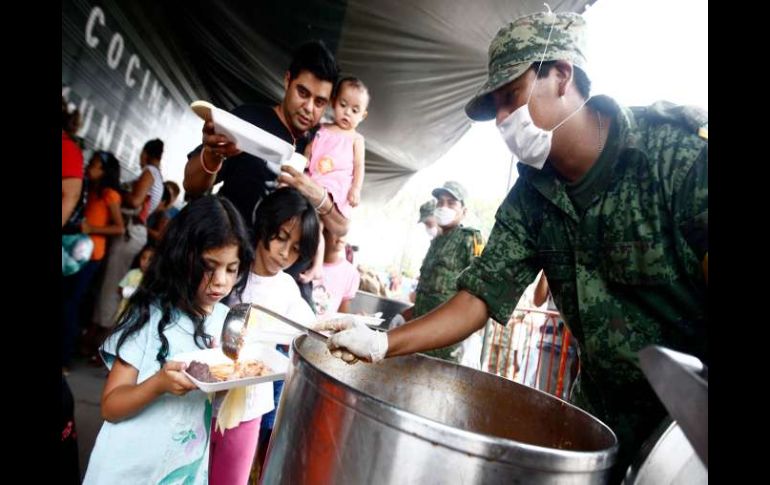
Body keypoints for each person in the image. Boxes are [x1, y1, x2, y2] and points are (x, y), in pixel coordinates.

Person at [318, 10, 707, 482]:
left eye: (511, 97)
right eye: (497, 107)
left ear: (561, 74)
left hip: (690, 434)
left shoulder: (673, 158)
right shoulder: (530, 200)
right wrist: (381, 342)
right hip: (603, 430)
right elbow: (478, 298)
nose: (503, 120)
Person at [83, 195, 253, 484]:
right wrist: (158, 384)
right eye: (209, 266)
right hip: (128, 470)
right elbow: (111, 407)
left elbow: (219, 402)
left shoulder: (228, 322)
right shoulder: (149, 315)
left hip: (180, 468)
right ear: (182, 257)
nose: (222, 280)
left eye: (231, 268)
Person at [183, 40, 345, 307]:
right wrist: (213, 154)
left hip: (279, 293)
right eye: (302, 93)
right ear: (287, 80)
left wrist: (319, 197)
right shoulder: (251, 121)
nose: (309, 108)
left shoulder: (322, 147)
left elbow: (342, 226)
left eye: (319, 102)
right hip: (226, 280)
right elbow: (191, 185)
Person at [211, 188, 319, 484]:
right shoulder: (231, 271)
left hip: (250, 407)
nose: (285, 253)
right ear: (264, 224)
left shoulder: (287, 289)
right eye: (281, 237)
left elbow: (313, 328)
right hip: (204, 397)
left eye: (296, 248)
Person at [410, 181, 484, 362]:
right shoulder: (436, 241)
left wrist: (471, 333)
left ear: (464, 211)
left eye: (451, 203)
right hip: (421, 334)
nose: (443, 207)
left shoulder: (469, 238)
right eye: (440, 202)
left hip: (447, 339)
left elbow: (480, 288)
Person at [312, 229, 360, 317]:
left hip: (323, 329)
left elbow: (341, 315)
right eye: (335, 228)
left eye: (344, 229)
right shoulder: (304, 263)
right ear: (321, 230)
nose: (341, 234)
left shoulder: (350, 273)